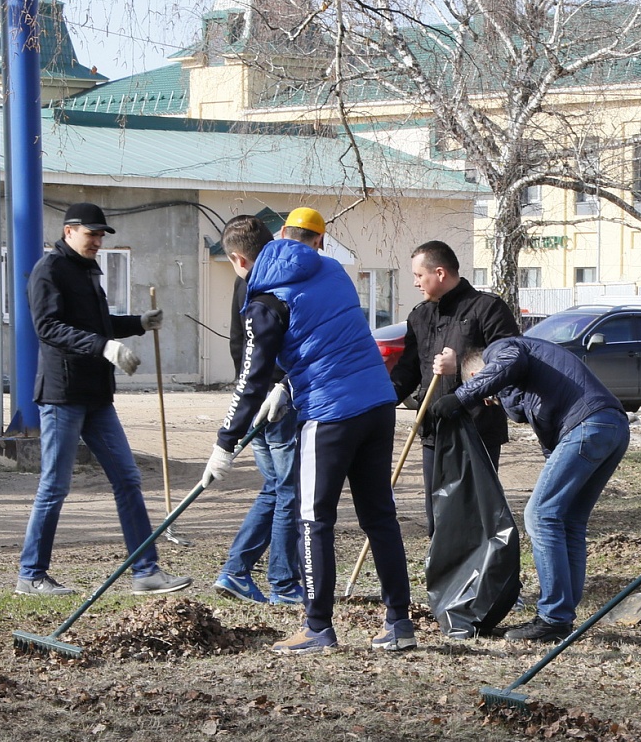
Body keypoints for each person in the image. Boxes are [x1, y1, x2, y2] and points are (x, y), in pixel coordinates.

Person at [201, 207, 416, 654]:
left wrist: (224, 444)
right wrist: (286, 383)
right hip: (377, 402)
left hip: (330, 413)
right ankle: (399, 622)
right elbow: (326, 334)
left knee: (315, 519)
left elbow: (249, 378)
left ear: (240, 262)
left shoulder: (265, 302)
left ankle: (317, 626)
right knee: (379, 516)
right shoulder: (331, 268)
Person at [16, 201, 189, 597]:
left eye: (100, 235)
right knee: (54, 486)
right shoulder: (50, 270)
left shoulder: (89, 270)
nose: (97, 241)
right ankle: (31, 575)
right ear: (68, 232)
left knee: (127, 478)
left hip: (97, 395)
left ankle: (146, 572)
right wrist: (103, 347)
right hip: (62, 395)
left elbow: (97, 324)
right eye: (91, 234)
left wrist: (137, 324)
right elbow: (49, 328)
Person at [429, 334, 630, 642]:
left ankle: (553, 617)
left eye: (481, 386)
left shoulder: (503, 349)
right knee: (568, 521)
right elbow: (552, 440)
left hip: (589, 424)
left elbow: (508, 364)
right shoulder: (528, 384)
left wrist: (462, 395)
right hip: (610, 428)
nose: (487, 400)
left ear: (478, 373)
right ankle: (561, 615)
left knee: (540, 515)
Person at [390, 239, 522, 530]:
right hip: (433, 431)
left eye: (418, 275)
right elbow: (409, 368)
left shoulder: (488, 308)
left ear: (439, 273)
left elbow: (510, 362)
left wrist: (460, 364)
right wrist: (383, 400)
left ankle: (479, 574)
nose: (415, 283)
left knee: (476, 514)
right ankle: (441, 572)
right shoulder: (420, 316)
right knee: (437, 514)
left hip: (478, 430)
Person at [208, 215, 303, 605]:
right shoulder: (273, 285)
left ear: (238, 258)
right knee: (288, 490)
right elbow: (252, 352)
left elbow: (241, 351)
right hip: (275, 402)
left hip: (266, 396)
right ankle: (283, 582)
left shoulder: (247, 282)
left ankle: (236, 570)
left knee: (275, 488)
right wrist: (227, 438)